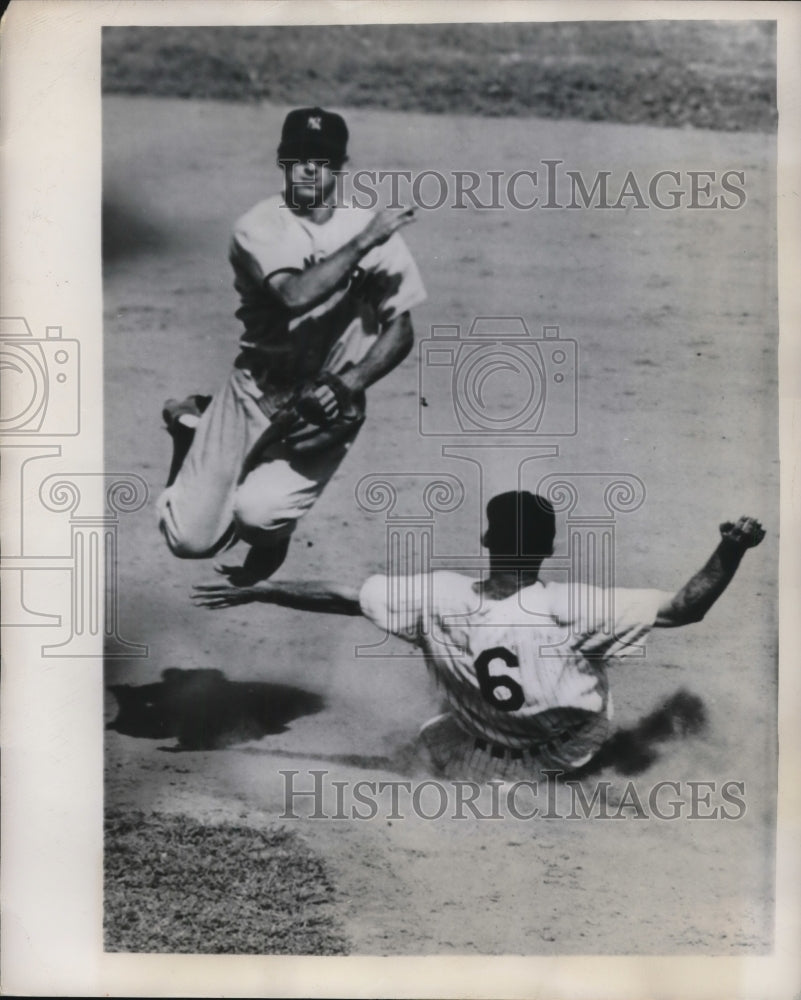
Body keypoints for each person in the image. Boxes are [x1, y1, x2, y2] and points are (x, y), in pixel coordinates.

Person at [192, 490, 766, 780]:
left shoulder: (438, 596)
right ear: (547, 549)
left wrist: (263, 589)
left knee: (433, 730)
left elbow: (341, 596)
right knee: (584, 686)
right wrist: (731, 548)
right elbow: (685, 608)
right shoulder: (575, 606)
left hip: (478, 753)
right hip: (572, 755)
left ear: (487, 540)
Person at [158, 106, 426, 584]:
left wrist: (351, 383)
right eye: (297, 158)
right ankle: (191, 429)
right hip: (254, 391)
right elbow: (295, 295)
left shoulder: (371, 229)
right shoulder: (259, 226)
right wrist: (366, 241)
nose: (307, 169)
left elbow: (400, 329)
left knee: (258, 516)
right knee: (187, 541)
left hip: (326, 402)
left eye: (320, 160)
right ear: (282, 162)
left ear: (340, 167)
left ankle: (271, 538)